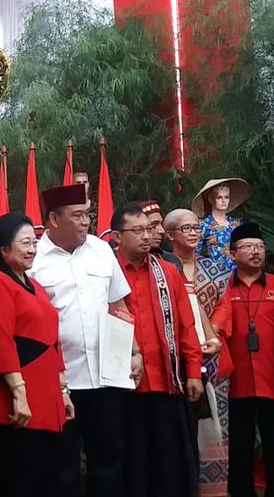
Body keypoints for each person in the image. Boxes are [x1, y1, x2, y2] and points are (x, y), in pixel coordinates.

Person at [29, 184, 141, 497]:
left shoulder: (101, 250)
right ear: (53, 218)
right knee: (61, 465)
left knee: (109, 460)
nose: (85, 222)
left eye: (87, 214)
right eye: (77, 215)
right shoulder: (34, 259)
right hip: (60, 382)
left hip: (107, 378)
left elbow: (118, 306)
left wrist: (134, 352)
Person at [0, 212, 74, 497]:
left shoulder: (35, 286)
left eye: (35, 242)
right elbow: (1, 341)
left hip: (45, 397)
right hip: (15, 402)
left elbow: (53, 341)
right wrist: (19, 394)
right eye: (25, 243)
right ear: (4, 250)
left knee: (47, 478)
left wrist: (63, 391)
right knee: (22, 480)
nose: (32, 249)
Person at [111, 202, 204, 497]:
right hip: (124, 386)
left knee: (170, 463)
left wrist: (193, 373)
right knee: (132, 463)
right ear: (116, 236)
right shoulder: (105, 273)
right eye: (137, 230)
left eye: (149, 229)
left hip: (167, 381)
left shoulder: (168, 272)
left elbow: (187, 326)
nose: (146, 236)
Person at [164, 208, 233, 497]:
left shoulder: (216, 268)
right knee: (180, 427)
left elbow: (225, 304)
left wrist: (213, 334)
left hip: (213, 355)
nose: (194, 234)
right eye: (186, 229)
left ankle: (215, 490)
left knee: (217, 424)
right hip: (176, 359)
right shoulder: (163, 268)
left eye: (196, 228)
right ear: (169, 235)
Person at [221, 223, 274, 497]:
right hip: (235, 381)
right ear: (232, 254)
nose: (256, 252)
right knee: (240, 447)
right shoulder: (222, 287)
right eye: (248, 247)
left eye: (260, 247)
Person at [191, 178, 249, 271]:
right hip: (215, 274)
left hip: (239, 274)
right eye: (219, 197)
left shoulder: (237, 225)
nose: (223, 201)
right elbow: (194, 253)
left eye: (226, 197)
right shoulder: (204, 225)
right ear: (210, 199)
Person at [140, 199, 182, 272]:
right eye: (153, 225)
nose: (162, 231)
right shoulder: (115, 262)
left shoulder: (171, 261)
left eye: (161, 224)